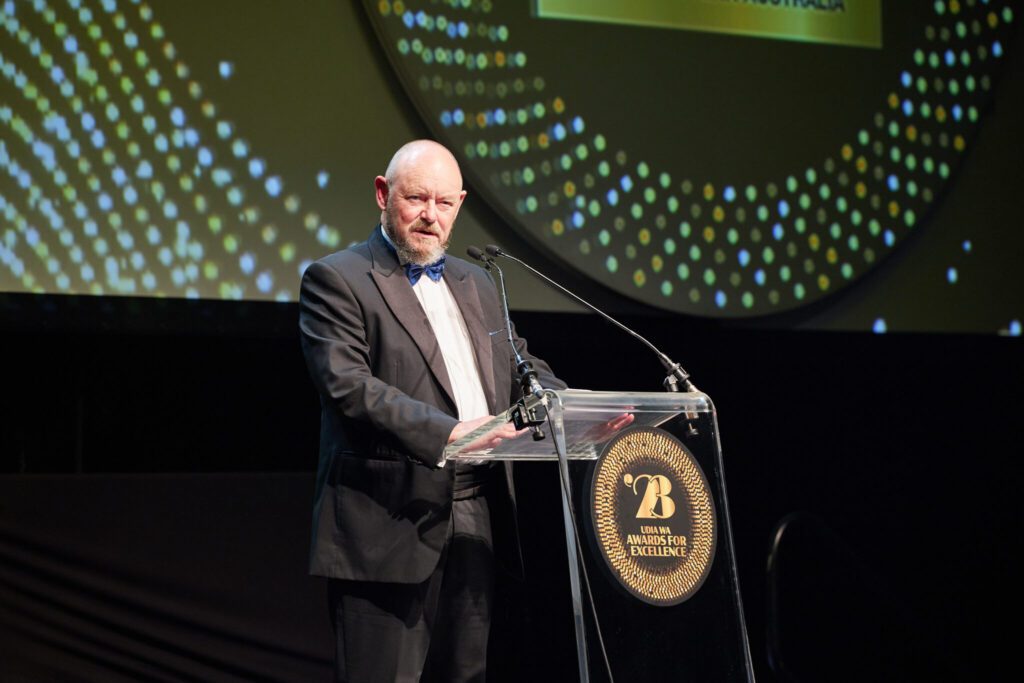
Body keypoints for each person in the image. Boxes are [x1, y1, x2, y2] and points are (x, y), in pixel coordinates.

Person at [298, 139, 564, 682]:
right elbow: (349, 387)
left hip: (476, 516)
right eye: (417, 199)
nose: (430, 215)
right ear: (383, 194)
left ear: (459, 205)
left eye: (443, 203)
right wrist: (451, 433)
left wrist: (568, 407)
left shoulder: (477, 282)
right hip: (387, 521)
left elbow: (520, 364)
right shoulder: (337, 278)